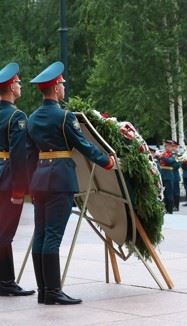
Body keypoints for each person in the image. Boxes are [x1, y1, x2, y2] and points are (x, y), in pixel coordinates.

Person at [27, 62, 114, 305]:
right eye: (62, 84)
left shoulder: (32, 118)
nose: (64, 87)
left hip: (39, 180)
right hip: (60, 181)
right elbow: (83, 145)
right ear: (55, 88)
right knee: (53, 236)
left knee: (41, 235)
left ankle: (44, 290)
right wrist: (106, 161)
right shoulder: (64, 117)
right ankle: (53, 292)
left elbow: (30, 153)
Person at [0, 63, 35, 297]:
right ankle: (6, 282)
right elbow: (19, 156)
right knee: (5, 231)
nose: (20, 86)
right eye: (19, 83)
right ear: (12, 87)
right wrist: (19, 189)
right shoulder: (17, 116)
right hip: (6, 177)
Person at [158, 140, 176, 213]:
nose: (166, 147)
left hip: (168, 175)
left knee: (169, 194)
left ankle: (170, 210)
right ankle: (164, 208)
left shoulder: (173, 154)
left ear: (171, 147)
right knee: (163, 193)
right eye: (165, 146)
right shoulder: (163, 154)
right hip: (162, 175)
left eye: (168, 146)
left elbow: (169, 161)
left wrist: (162, 157)